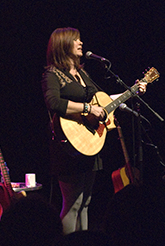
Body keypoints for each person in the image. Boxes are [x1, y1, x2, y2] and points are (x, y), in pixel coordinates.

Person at [41, 27, 146, 234]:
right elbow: (53, 102)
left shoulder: (82, 73)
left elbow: (103, 102)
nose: (81, 43)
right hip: (67, 144)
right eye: (76, 40)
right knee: (72, 203)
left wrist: (131, 91)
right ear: (63, 44)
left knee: (86, 202)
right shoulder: (52, 73)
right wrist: (87, 108)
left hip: (88, 141)